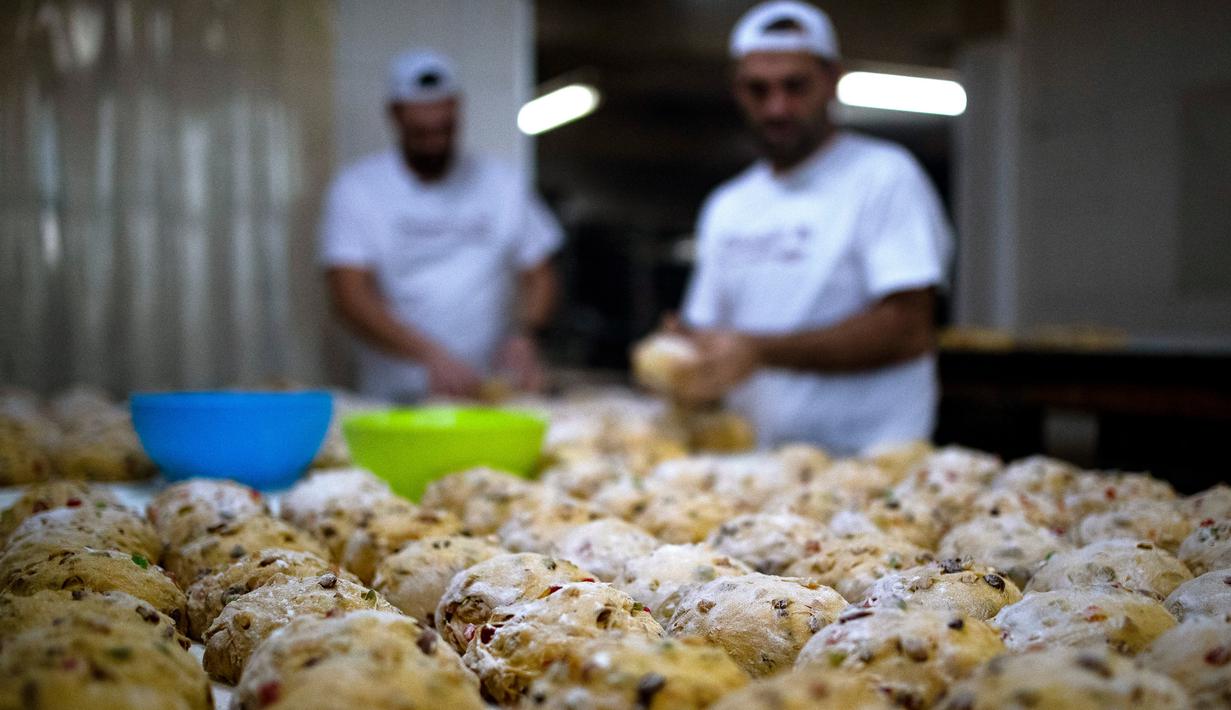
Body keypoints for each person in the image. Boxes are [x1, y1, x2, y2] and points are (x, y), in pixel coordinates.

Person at [673, 0, 953, 454]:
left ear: (832, 79)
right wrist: (683, 349)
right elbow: (711, 331)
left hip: (869, 462)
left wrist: (760, 350)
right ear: (737, 90)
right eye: (758, 90)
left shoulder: (883, 177)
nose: (777, 107)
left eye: (795, 86)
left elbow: (907, 328)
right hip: (755, 464)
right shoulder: (729, 205)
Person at [320, 49, 563, 402]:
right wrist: (428, 355)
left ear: (457, 110)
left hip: (487, 388)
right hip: (394, 395)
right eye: (421, 133)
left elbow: (540, 274)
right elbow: (348, 294)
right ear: (395, 115)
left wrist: (523, 335)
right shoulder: (358, 188)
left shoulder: (502, 184)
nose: (434, 141)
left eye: (443, 130)